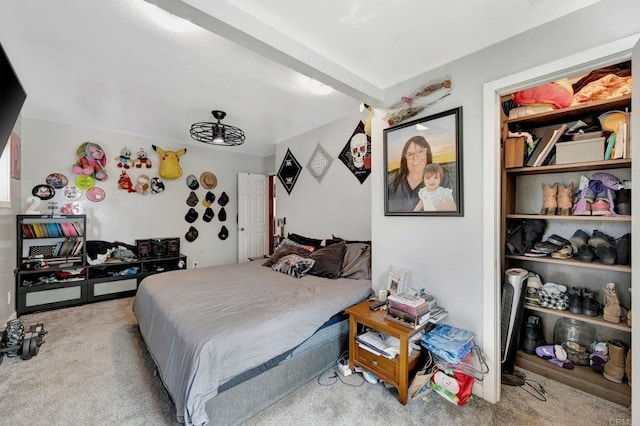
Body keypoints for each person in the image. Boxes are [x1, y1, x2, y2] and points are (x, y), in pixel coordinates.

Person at [387, 135, 451, 212]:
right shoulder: (392, 184)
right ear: (405, 159)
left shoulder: (442, 181)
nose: (415, 157)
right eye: (410, 154)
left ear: (427, 154)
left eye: (420, 152)